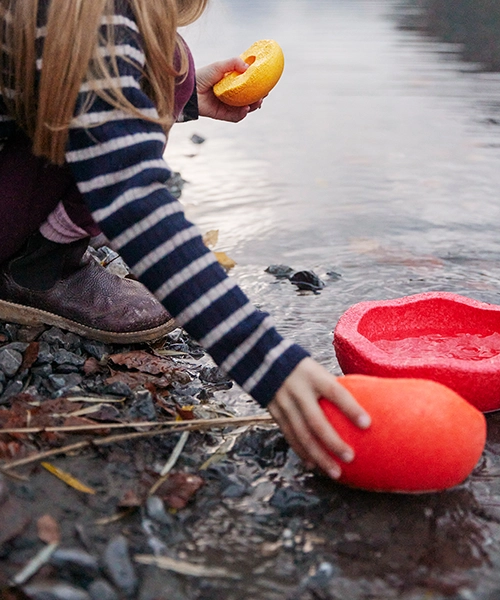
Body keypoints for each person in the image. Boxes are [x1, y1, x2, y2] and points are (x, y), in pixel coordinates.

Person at [0, 0, 371, 480]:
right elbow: (134, 198)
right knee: (155, 64)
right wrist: (267, 361)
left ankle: (38, 241)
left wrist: (185, 95)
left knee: (166, 65)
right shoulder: (97, 23)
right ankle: (37, 266)